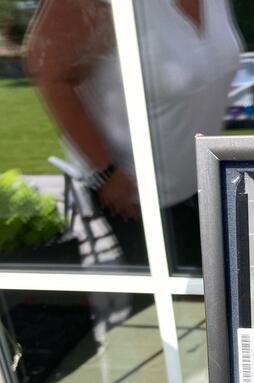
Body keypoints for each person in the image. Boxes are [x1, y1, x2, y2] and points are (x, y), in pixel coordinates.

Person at [25, 0, 242, 268]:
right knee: (185, 290)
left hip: (205, 182)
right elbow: (49, 74)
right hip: (139, 197)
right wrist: (105, 173)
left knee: (219, 282)